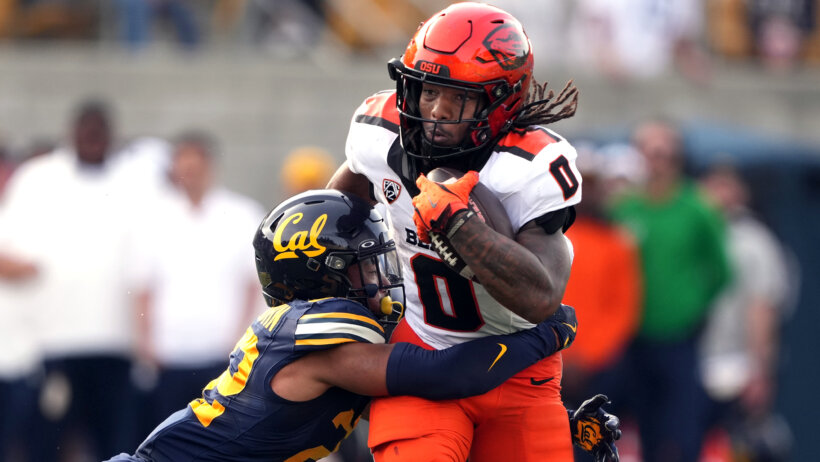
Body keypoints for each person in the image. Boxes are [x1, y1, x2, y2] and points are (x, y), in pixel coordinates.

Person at [105, 189, 588, 462]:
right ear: (319, 271)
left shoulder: (310, 335)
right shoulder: (322, 335)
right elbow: (446, 375)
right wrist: (546, 334)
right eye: (363, 266)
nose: (380, 279)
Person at [327, 3, 590, 460]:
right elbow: (336, 214)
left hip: (518, 367)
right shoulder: (378, 132)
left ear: (501, 99)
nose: (436, 111)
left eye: (459, 99)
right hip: (420, 355)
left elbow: (541, 295)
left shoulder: (530, 168)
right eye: (427, 91)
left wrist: (457, 223)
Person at [0, 99, 168, 460]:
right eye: (85, 130)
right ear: (71, 133)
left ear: (112, 135)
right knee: (48, 443)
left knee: (116, 445)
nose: (92, 138)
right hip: (53, 342)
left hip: (117, 342)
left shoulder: (135, 180)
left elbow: (152, 260)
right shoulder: (39, 177)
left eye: (99, 131)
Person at [608, 118, 732, 462]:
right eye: (648, 152)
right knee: (637, 429)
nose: (656, 161)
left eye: (664, 152)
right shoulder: (623, 208)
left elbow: (721, 271)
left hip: (679, 339)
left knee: (680, 434)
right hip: (632, 339)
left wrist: (691, 307)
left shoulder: (698, 209)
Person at [130, 131, 267, 432]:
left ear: (209, 166)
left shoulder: (241, 214)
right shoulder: (155, 219)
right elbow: (143, 287)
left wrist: (238, 339)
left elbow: (251, 284)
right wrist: (146, 344)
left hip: (223, 356)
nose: (189, 175)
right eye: (183, 167)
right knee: (170, 436)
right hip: (170, 354)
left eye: (196, 167)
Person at [697, 163, 793, 460]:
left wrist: (759, 370)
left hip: (735, 368)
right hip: (691, 363)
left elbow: (762, 309)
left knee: (737, 447)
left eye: (726, 185)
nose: (717, 193)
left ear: (741, 192)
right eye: (712, 184)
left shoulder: (753, 240)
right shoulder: (695, 233)